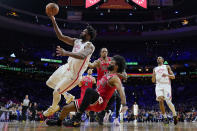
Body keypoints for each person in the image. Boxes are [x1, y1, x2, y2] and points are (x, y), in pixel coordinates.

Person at [46, 55, 128, 127]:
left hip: (100, 102)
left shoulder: (115, 78)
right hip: (90, 99)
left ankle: (77, 119)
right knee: (65, 108)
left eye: (112, 62)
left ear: (116, 66)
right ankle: (59, 122)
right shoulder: (107, 74)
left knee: (89, 90)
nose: (109, 63)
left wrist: (124, 105)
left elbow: (121, 90)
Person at [43, 14, 97, 117]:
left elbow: (82, 55)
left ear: (89, 35)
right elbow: (61, 36)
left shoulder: (89, 45)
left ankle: (54, 107)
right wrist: (53, 20)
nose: (82, 32)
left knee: (56, 92)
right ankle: (67, 95)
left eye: (84, 31)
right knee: (49, 82)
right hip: (66, 67)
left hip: (74, 75)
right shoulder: (76, 41)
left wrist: (66, 53)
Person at [89, 48, 127, 125]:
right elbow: (91, 65)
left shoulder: (111, 61)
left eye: (106, 51)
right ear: (100, 53)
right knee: (101, 101)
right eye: (103, 51)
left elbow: (124, 74)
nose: (105, 52)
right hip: (101, 84)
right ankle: (104, 112)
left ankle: (115, 118)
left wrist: (118, 73)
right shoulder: (98, 61)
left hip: (110, 83)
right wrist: (85, 59)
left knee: (117, 98)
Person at [152, 56, 178, 125]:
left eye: (159, 58)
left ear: (163, 60)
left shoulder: (167, 66)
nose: (158, 59)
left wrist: (166, 75)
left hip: (166, 85)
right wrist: (153, 75)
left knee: (168, 102)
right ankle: (165, 117)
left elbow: (173, 77)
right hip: (158, 85)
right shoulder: (155, 69)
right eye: (157, 58)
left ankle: (175, 114)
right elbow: (153, 80)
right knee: (160, 100)